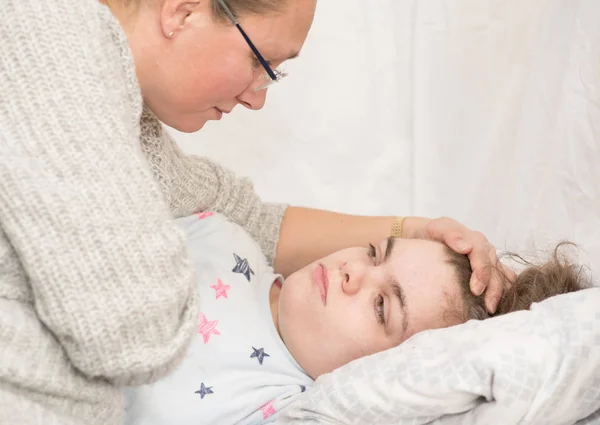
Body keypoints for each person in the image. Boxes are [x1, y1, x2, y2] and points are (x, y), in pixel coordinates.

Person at [0, 0, 512, 423]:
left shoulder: (127, 118)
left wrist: (416, 230)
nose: (256, 99)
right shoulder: (53, 49)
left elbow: (241, 214)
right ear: (183, 11)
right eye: (262, 65)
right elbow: (133, 333)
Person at [124, 212, 588, 425]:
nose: (353, 272)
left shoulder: (276, 407)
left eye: (381, 306)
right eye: (374, 252)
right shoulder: (225, 236)